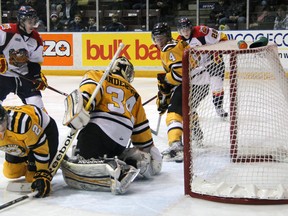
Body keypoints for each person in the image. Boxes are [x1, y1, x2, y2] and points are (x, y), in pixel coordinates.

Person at [61, 56, 162, 194]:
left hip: (98, 132)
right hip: (120, 142)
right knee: (104, 154)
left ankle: (115, 168)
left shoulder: (99, 76)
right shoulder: (135, 94)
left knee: (80, 157)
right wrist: (151, 150)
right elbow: (141, 132)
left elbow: (88, 93)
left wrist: (80, 107)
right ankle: (130, 160)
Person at [151, 22, 211, 162]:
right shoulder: (178, 43)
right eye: (156, 38)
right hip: (201, 82)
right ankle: (196, 133)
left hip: (192, 82)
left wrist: (165, 81)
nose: (158, 41)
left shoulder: (169, 49)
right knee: (188, 108)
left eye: (161, 38)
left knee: (174, 113)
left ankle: (176, 145)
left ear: (167, 37)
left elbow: (179, 75)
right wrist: (165, 88)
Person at [0, 104, 59, 198]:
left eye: (1, 123)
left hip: (43, 132)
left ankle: (51, 156)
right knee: (11, 172)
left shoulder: (22, 123)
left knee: (32, 177)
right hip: (20, 138)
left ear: (6, 117)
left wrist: (42, 172)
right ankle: (29, 160)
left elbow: (40, 147)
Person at [177, 17, 228, 119]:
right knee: (200, 90)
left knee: (217, 85)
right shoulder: (179, 41)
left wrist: (217, 52)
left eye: (187, 29)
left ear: (191, 28)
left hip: (213, 63)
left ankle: (219, 108)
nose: (185, 32)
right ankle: (191, 108)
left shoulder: (202, 31)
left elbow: (222, 37)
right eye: (183, 30)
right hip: (198, 67)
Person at [0, 6, 48, 110]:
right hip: (2, 76)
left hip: (24, 77)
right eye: (29, 21)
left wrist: (37, 77)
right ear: (21, 21)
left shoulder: (36, 39)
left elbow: (34, 63)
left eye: (34, 21)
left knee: (39, 110)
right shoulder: (5, 31)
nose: (32, 25)